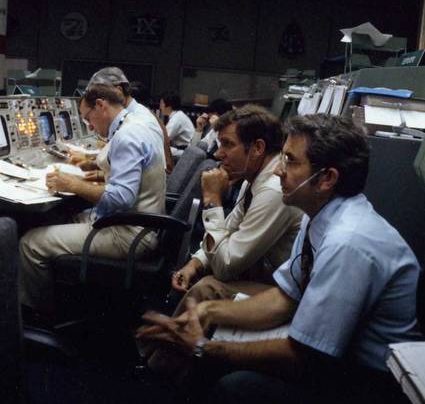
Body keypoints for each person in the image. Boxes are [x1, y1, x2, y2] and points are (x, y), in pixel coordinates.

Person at [137, 114, 419, 403]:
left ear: (327, 179)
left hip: (367, 381)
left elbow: (306, 356)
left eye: (290, 161)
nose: (277, 171)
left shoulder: (348, 243)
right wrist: (208, 311)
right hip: (334, 354)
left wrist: (204, 347)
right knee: (212, 338)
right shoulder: (320, 216)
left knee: (235, 385)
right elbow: (286, 298)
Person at [20, 83, 165, 313]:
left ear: (101, 105)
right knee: (62, 216)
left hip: (127, 234)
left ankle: (37, 317)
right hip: (139, 226)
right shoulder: (134, 126)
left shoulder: (127, 136)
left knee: (30, 243)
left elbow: (121, 197)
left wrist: (72, 184)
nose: (89, 125)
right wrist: (97, 172)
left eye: (89, 118)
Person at [170, 105, 302, 306]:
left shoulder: (273, 190)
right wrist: (196, 263)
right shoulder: (252, 179)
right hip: (261, 275)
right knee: (203, 280)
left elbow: (226, 267)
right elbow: (229, 231)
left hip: (286, 294)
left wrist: (212, 200)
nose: (218, 154)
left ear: (258, 148)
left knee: (206, 288)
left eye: (227, 144)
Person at [88, 67, 174, 173]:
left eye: (100, 99)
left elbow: (126, 180)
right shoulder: (135, 114)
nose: (99, 105)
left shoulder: (137, 122)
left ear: (118, 91)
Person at [159, 91, 195, 157]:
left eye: (161, 103)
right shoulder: (177, 115)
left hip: (185, 151)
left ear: (169, 106)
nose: (160, 106)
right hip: (181, 148)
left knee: (160, 149)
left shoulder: (177, 118)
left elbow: (164, 138)